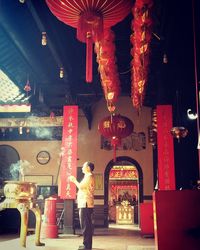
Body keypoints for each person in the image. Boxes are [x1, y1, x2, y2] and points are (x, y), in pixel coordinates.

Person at [69, 161, 95, 250]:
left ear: (88, 168)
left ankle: (87, 246)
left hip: (86, 204)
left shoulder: (89, 176)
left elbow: (81, 186)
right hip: (84, 204)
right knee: (85, 225)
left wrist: (74, 180)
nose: (82, 168)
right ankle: (86, 244)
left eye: (84, 166)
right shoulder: (88, 176)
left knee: (86, 225)